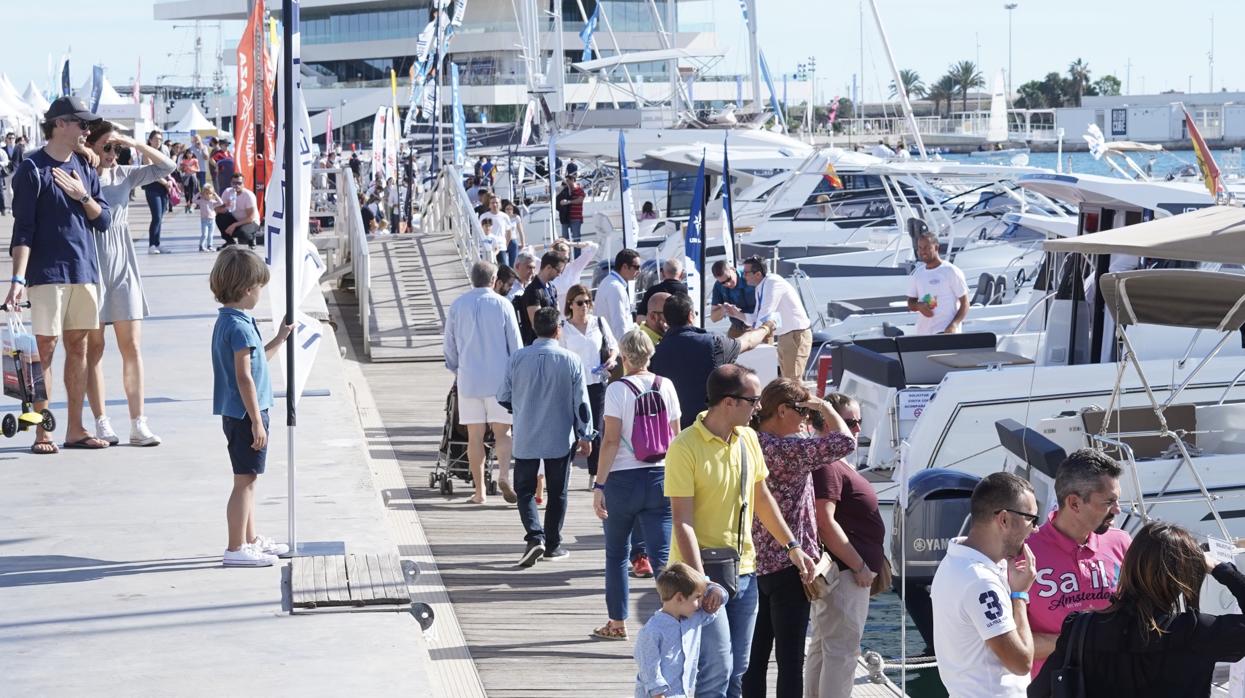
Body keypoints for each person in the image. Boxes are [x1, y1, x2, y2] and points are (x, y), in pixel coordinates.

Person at [665, 364, 818, 698]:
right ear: (728, 402)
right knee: (715, 671)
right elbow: (682, 522)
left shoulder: (748, 438)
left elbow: (761, 498)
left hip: (745, 571)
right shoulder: (684, 447)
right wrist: (700, 584)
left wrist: (792, 546)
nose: (759, 408)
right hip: (701, 574)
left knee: (738, 670)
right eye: (753, 400)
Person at [1029, 521, 1245, 698]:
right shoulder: (1198, 632)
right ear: (1184, 579)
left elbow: (1037, 692)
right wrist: (1221, 569)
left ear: (1130, 565)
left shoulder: (1081, 627)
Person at [8, 95, 114, 454]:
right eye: (81, 123)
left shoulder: (85, 166)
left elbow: (104, 219)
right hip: (46, 273)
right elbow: (23, 231)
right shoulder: (31, 169)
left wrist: (84, 196)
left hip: (84, 270)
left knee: (79, 348)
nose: (87, 130)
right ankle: (42, 430)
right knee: (45, 350)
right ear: (59, 124)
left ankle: (75, 428)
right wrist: (17, 281)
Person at [742, 380, 855, 698]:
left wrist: (808, 406)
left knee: (756, 656)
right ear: (781, 411)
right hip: (791, 564)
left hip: (756, 562)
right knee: (790, 660)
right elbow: (845, 442)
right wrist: (826, 407)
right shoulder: (788, 450)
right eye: (802, 411)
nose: (806, 419)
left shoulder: (752, 442)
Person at [83, 122, 176, 447]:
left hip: (123, 262)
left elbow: (167, 165)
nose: (112, 154)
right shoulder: (82, 174)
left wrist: (132, 142)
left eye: (115, 148)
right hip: (92, 261)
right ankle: (101, 421)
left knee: (132, 347)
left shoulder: (125, 174)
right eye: (106, 147)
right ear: (91, 145)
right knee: (94, 348)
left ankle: (139, 422)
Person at [592, 328, 682, 640]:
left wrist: (599, 485)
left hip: (622, 480)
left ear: (626, 356)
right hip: (660, 477)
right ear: (649, 354)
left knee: (617, 553)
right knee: (662, 556)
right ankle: (673, 621)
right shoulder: (666, 386)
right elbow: (676, 437)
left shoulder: (618, 390)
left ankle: (617, 624)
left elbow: (611, 441)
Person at [209, 247, 293, 566]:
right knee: (245, 480)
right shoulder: (241, 327)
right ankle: (235, 549)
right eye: (259, 287)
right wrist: (257, 421)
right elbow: (245, 378)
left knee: (248, 478)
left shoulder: (231, 321)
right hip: (246, 414)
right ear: (248, 289)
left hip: (239, 412)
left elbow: (258, 365)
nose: (261, 293)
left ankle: (249, 539)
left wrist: (279, 339)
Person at [497, 307, 594, 567]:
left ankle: (534, 536)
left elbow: (503, 395)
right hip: (560, 435)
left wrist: (521, 406)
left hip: (527, 433)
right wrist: (586, 434)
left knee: (525, 489)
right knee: (558, 492)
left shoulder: (517, 358)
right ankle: (552, 544)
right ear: (558, 330)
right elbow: (581, 404)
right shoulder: (570, 360)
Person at [805, 393, 885, 698]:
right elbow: (824, 521)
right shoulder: (827, 464)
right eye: (851, 422)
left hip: (843, 573)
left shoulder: (835, 462)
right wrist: (860, 566)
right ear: (830, 422)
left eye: (859, 422)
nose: (857, 429)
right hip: (845, 574)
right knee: (841, 651)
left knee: (825, 647)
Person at [931, 472, 1039, 697]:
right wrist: (1019, 596)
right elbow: (1021, 663)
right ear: (1004, 519)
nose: (1035, 529)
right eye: (1031, 518)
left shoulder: (954, 563)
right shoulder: (980, 581)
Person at [1025, 449, 1129, 676]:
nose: (1117, 510)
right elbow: (1016, 644)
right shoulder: (1024, 553)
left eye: (1117, 500)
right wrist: (1084, 641)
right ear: (1073, 503)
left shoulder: (1121, 542)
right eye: (1108, 502)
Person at [445, 261, 523, 504]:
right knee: (503, 432)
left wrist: (457, 368)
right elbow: (516, 344)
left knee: (474, 436)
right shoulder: (503, 305)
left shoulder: (458, 305)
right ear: (494, 280)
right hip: (500, 380)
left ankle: (479, 493)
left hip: (469, 378)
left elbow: (449, 345)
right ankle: (503, 476)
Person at [651, 294, 773, 430]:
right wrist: (766, 328)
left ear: (666, 320)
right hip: (709, 429)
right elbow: (748, 341)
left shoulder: (654, 354)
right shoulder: (714, 343)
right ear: (691, 315)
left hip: (673, 433)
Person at [633, 563, 724, 698]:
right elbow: (649, 671)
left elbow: (717, 604)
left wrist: (716, 589)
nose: (701, 603)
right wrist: (659, 694)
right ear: (680, 598)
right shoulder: (652, 631)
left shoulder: (692, 619)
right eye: (697, 597)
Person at [741, 256, 812, 381]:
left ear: (757, 274)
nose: (743, 276)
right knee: (787, 380)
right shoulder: (762, 285)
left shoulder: (773, 283)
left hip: (796, 335)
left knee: (793, 382)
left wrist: (752, 336)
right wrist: (736, 314)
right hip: (786, 336)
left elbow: (766, 313)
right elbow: (758, 317)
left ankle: (820, 402)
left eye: (746, 273)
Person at [907, 231, 969, 335]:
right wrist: (919, 306)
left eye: (926, 247)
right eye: (920, 248)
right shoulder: (918, 274)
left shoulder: (951, 271)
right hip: (924, 333)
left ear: (936, 247)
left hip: (945, 332)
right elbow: (910, 303)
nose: (922, 251)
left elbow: (965, 303)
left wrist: (954, 325)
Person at [517, 251, 566, 345]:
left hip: (553, 341)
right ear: (548, 267)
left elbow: (558, 314)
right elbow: (536, 325)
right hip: (537, 344)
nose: (559, 274)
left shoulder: (552, 288)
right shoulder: (532, 290)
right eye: (558, 271)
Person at [595, 248, 641, 341]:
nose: (639, 271)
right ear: (624, 267)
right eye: (636, 267)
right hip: (617, 347)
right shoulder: (616, 288)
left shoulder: (609, 282)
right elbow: (619, 325)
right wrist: (626, 352)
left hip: (610, 344)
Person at [140, 130, 174, 254]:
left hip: (163, 187)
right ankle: (152, 245)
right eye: (156, 139)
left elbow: (168, 169)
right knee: (156, 216)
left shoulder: (162, 152)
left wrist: (169, 180)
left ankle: (157, 243)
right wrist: (165, 182)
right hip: (152, 187)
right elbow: (152, 172)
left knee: (161, 216)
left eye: (160, 139)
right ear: (150, 140)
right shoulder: (146, 153)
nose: (158, 141)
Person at [710, 261, 756, 340]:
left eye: (728, 279)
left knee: (765, 351)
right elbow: (713, 318)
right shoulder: (718, 286)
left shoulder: (750, 276)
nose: (727, 284)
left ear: (733, 269)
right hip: (737, 327)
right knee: (728, 350)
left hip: (757, 325)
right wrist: (724, 309)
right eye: (723, 283)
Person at [549, 237, 599, 309]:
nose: (563, 261)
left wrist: (570, 244)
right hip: (556, 314)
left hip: (574, 313)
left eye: (565, 258)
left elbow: (594, 246)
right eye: (559, 258)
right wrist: (550, 246)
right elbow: (528, 252)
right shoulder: (547, 268)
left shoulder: (574, 267)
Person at [215, 172, 262, 248]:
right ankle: (230, 241)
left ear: (243, 184)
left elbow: (251, 218)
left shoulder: (248, 196)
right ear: (231, 183)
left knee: (242, 233)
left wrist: (234, 225)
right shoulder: (227, 192)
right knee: (220, 217)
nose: (236, 185)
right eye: (234, 183)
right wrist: (225, 205)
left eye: (239, 183)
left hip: (251, 222)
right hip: (236, 219)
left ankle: (251, 239)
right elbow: (217, 210)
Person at [479, 196, 516, 266]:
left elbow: (509, 232)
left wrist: (505, 244)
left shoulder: (505, 216)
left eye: (497, 202)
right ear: (489, 205)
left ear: (500, 204)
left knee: (503, 270)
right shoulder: (483, 216)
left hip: (501, 246)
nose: (495, 204)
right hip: (488, 247)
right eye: (492, 203)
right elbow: (480, 231)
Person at [555, 172, 585, 242]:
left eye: (568, 181)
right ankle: (566, 252)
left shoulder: (579, 190)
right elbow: (556, 196)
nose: (567, 183)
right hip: (566, 218)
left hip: (576, 218)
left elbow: (580, 200)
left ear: (572, 180)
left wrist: (569, 202)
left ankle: (577, 253)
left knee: (576, 238)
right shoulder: (566, 190)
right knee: (565, 238)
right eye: (566, 181)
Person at [194, 183, 224, 252]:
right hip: (204, 220)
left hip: (212, 220)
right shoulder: (201, 201)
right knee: (204, 234)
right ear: (203, 194)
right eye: (206, 193)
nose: (208, 195)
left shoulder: (212, 202)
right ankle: (201, 246)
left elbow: (221, 203)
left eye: (210, 193)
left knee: (210, 234)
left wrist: (215, 194)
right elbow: (194, 200)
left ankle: (209, 245)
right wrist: (199, 193)